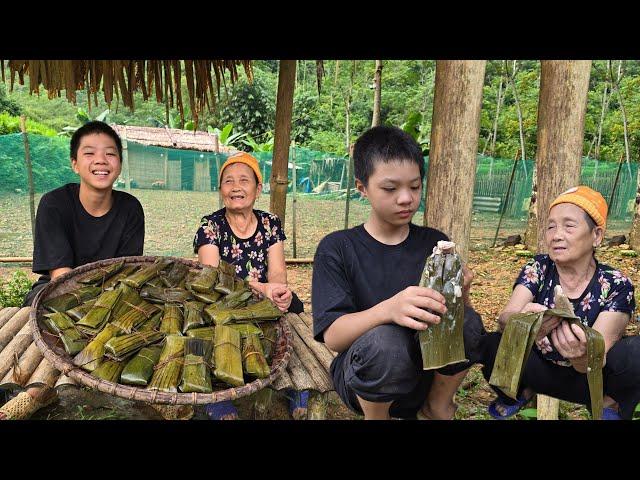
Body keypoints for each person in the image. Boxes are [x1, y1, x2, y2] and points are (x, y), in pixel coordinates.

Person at [311, 126, 487, 420]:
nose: (406, 198)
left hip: (423, 371)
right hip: (364, 377)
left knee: (469, 323)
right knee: (386, 343)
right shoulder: (337, 248)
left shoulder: (434, 242)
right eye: (390, 189)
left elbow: (455, 321)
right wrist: (389, 309)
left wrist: (462, 292)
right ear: (362, 187)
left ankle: (436, 404)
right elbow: (334, 337)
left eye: (415, 187)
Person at [0, 121, 145, 420]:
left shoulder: (131, 208)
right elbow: (61, 278)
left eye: (110, 153)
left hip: (113, 295)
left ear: (119, 163)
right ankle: (35, 389)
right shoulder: (54, 204)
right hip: (58, 292)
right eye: (90, 153)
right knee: (44, 330)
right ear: (75, 163)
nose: (101, 160)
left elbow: (126, 276)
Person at [482, 186, 639, 420]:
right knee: (490, 343)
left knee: (634, 353)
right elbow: (506, 318)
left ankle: (608, 403)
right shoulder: (539, 268)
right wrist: (522, 323)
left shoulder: (616, 284)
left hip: (590, 379)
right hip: (539, 369)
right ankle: (519, 391)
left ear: (596, 235)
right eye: (551, 226)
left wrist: (580, 355)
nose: (556, 235)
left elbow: (598, 355)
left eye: (569, 226)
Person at [193, 151, 307, 420]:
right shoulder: (211, 226)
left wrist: (277, 290)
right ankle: (216, 396)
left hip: (265, 298)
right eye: (228, 181)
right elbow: (212, 279)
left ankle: (296, 382)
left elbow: (278, 271)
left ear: (258, 188)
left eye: (244, 180)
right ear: (220, 189)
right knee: (204, 327)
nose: (236, 187)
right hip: (223, 300)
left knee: (295, 313)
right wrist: (262, 288)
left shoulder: (271, 224)